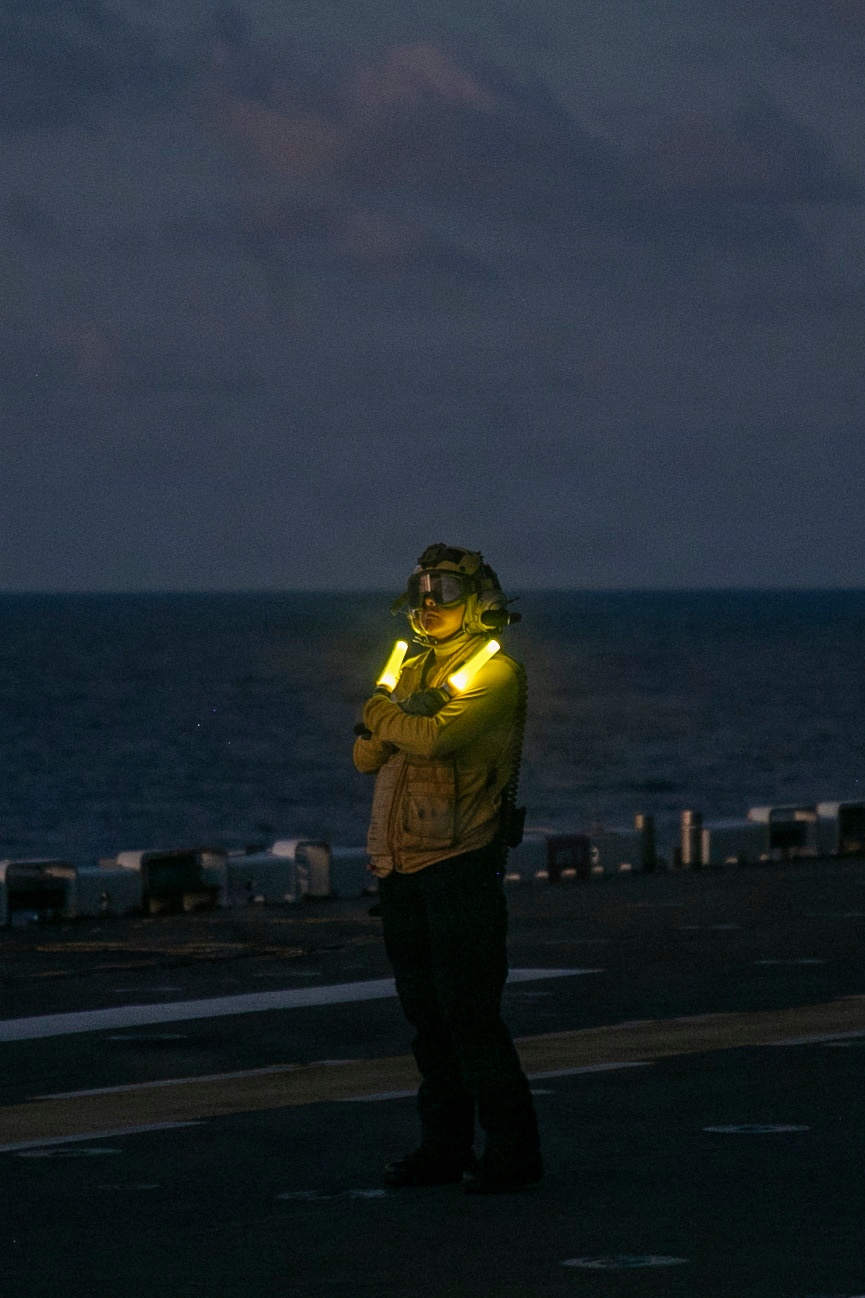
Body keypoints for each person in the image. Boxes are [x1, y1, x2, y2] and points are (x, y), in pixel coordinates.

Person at [353, 543, 542, 1194]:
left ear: (479, 602)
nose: (429, 601)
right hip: (400, 865)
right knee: (427, 1022)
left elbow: (430, 739)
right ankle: (444, 1148)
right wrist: (392, 723)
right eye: (422, 588)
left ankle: (513, 1155)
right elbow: (362, 757)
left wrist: (382, 718)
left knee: (471, 1019)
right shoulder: (411, 669)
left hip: (461, 864)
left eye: (446, 590)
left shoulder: (494, 674)